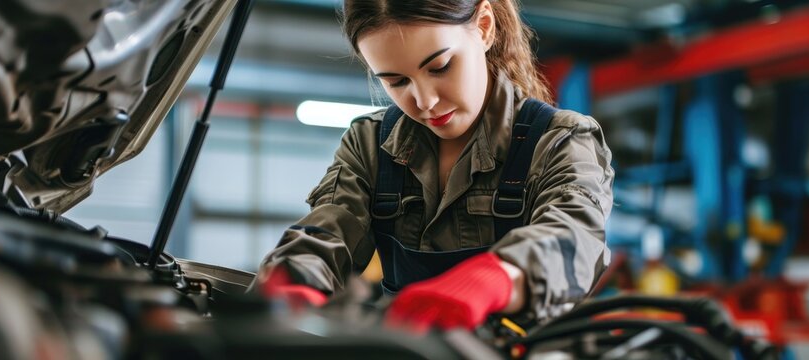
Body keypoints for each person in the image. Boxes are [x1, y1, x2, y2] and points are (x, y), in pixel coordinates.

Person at [255, 0, 614, 332]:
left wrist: (496, 277)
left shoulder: (562, 139)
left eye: (440, 67)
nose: (424, 100)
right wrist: (292, 283)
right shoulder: (369, 143)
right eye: (396, 81)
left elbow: (574, 234)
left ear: (485, 27)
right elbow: (327, 232)